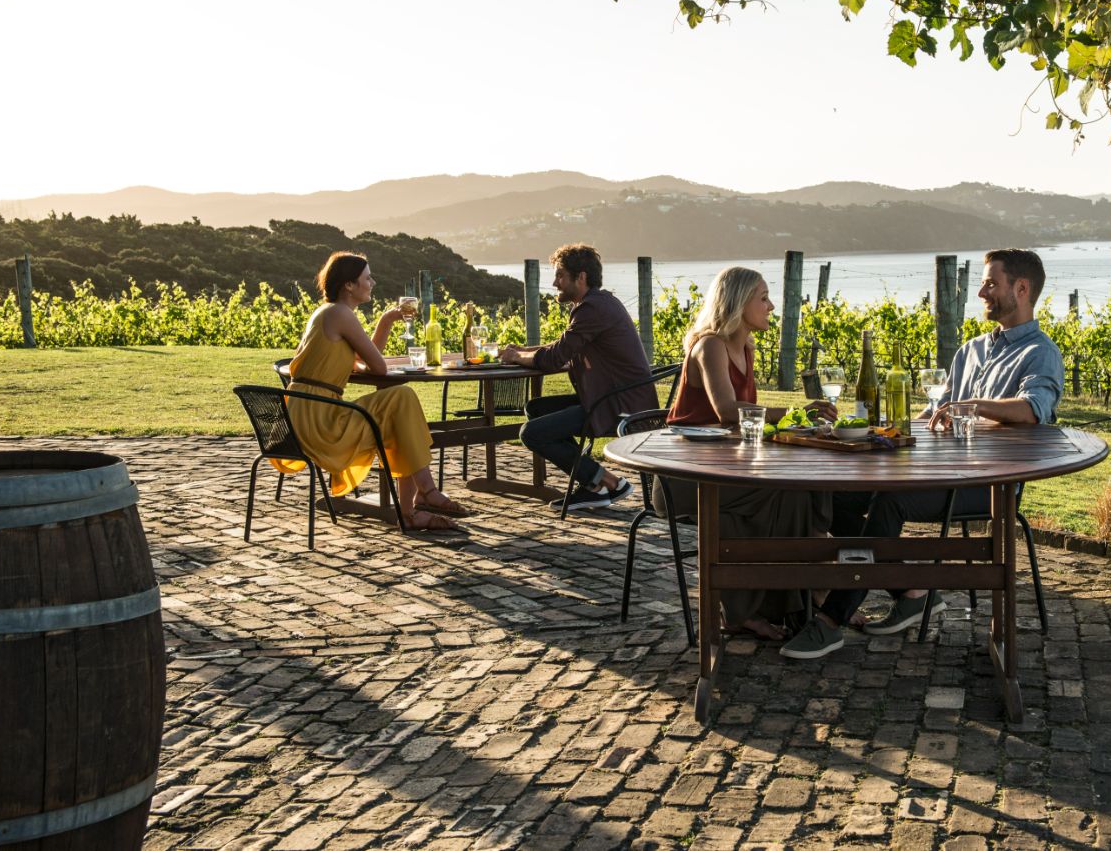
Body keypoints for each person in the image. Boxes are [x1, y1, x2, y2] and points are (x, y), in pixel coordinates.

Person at [781, 247, 1064, 660]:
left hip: (986, 485)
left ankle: (829, 622)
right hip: (937, 473)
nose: (982, 291)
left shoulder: (1040, 352)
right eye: (983, 282)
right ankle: (912, 592)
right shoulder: (971, 351)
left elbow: (1033, 410)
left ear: (1021, 289)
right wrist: (881, 432)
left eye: (991, 283)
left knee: (889, 502)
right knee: (836, 493)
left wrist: (976, 405)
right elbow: (932, 415)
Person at [656, 266, 839, 641]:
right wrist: (798, 414)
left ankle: (793, 603)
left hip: (726, 469)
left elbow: (743, 423)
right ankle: (794, 603)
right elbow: (727, 411)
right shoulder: (710, 346)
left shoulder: (746, 347)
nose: (771, 306)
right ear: (739, 303)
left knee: (797, 492)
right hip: (684, 476)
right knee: (787, 493)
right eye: (763, 298)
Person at [281, 251, 469, 531]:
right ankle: (423, 496)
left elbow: (369, 360)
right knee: (401, 399)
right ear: (349, 285)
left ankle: (414, 507)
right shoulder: (340, 313)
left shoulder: (328, 313)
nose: (373, 283)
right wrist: (376, 348)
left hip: (306, 413)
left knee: (398, 411)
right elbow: (379, 368)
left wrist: (385, 321)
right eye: (367, 278)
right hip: (320, 420)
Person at [498, 244, 657, 511]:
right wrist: (524, 351)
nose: (554, 282)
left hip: (619, 406)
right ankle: (593, 483)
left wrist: (515, 358)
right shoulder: (599, 303)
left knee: (531, 433)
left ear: (580, 277)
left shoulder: (592, 308)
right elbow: (563, 346)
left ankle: (604, 481)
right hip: (612, 396)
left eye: (560, 275)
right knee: (536, 409)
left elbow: (554, 358)